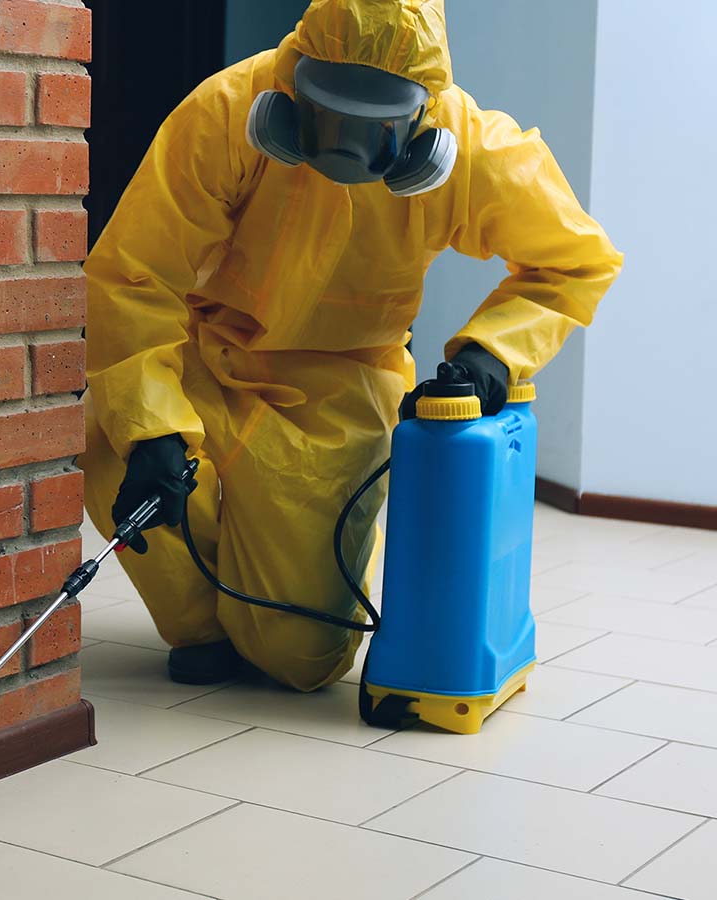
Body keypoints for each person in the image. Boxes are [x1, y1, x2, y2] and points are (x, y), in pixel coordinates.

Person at [79, 0, 621, 690]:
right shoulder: (227, 112)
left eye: (374, 126)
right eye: (326, 113)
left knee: (301, 658)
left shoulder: (471, 150)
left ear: (422, 121)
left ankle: (278, 602)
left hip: (339, 390)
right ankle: (203, 628)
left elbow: (577, 260)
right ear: (294, 87)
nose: (344, 148)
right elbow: (136, 275)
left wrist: (494, 352)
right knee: (119, 443)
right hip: (200, 355)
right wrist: (151, 427)